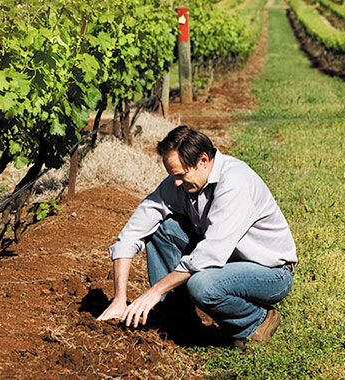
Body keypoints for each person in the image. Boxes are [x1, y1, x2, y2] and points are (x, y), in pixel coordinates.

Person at [96, 125, 297, 346]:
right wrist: (119, 298)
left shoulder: (234, 182)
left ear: (203, 160)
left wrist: (154, 291)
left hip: (270, 272)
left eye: (181, 175)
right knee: (163, 229)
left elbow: (209, 254)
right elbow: (133, 231)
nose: (176, 183)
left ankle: (256, 321)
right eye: (173, 176)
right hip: (229, 260)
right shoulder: (181, 184)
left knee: (203, 285)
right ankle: (179, 324)